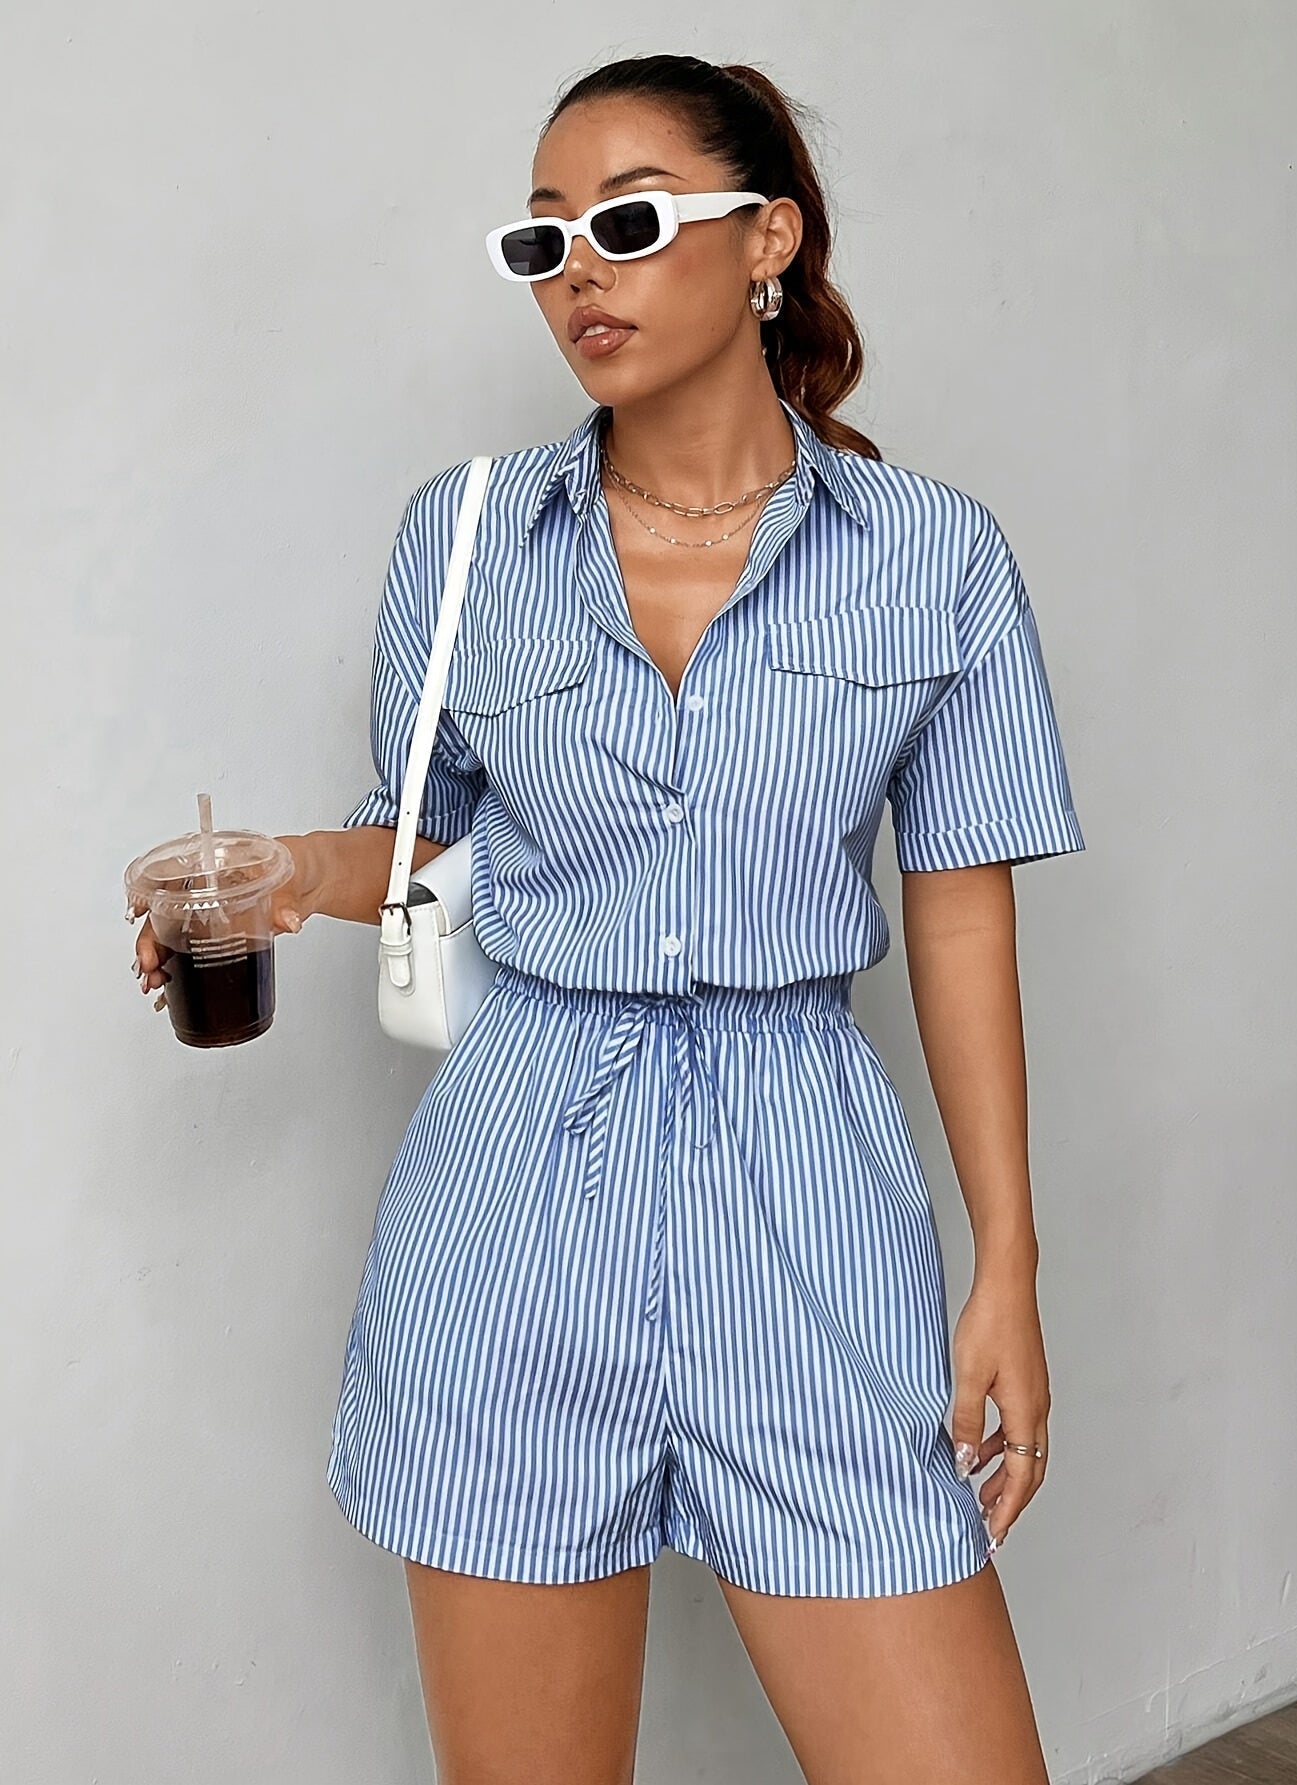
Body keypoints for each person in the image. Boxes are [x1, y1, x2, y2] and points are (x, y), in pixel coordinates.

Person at [134, 52, 1085, 1785]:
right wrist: (282, 874)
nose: (577, 270)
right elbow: (424, 844)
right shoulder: (465, 537)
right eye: (542, 238)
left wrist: (1006, 1260)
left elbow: (960, 919)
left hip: (804, 1188)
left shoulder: (933, 557)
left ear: (767, 240)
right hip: (514, 1198)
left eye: (629, 224)